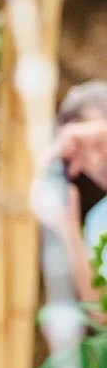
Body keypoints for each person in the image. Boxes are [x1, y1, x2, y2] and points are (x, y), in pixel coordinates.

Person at [55, 81, 107, 301]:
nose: (96, 162)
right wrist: (69, 229)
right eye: (83, 157)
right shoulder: (99, 219)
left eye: (97, 144)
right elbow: (101, 312)